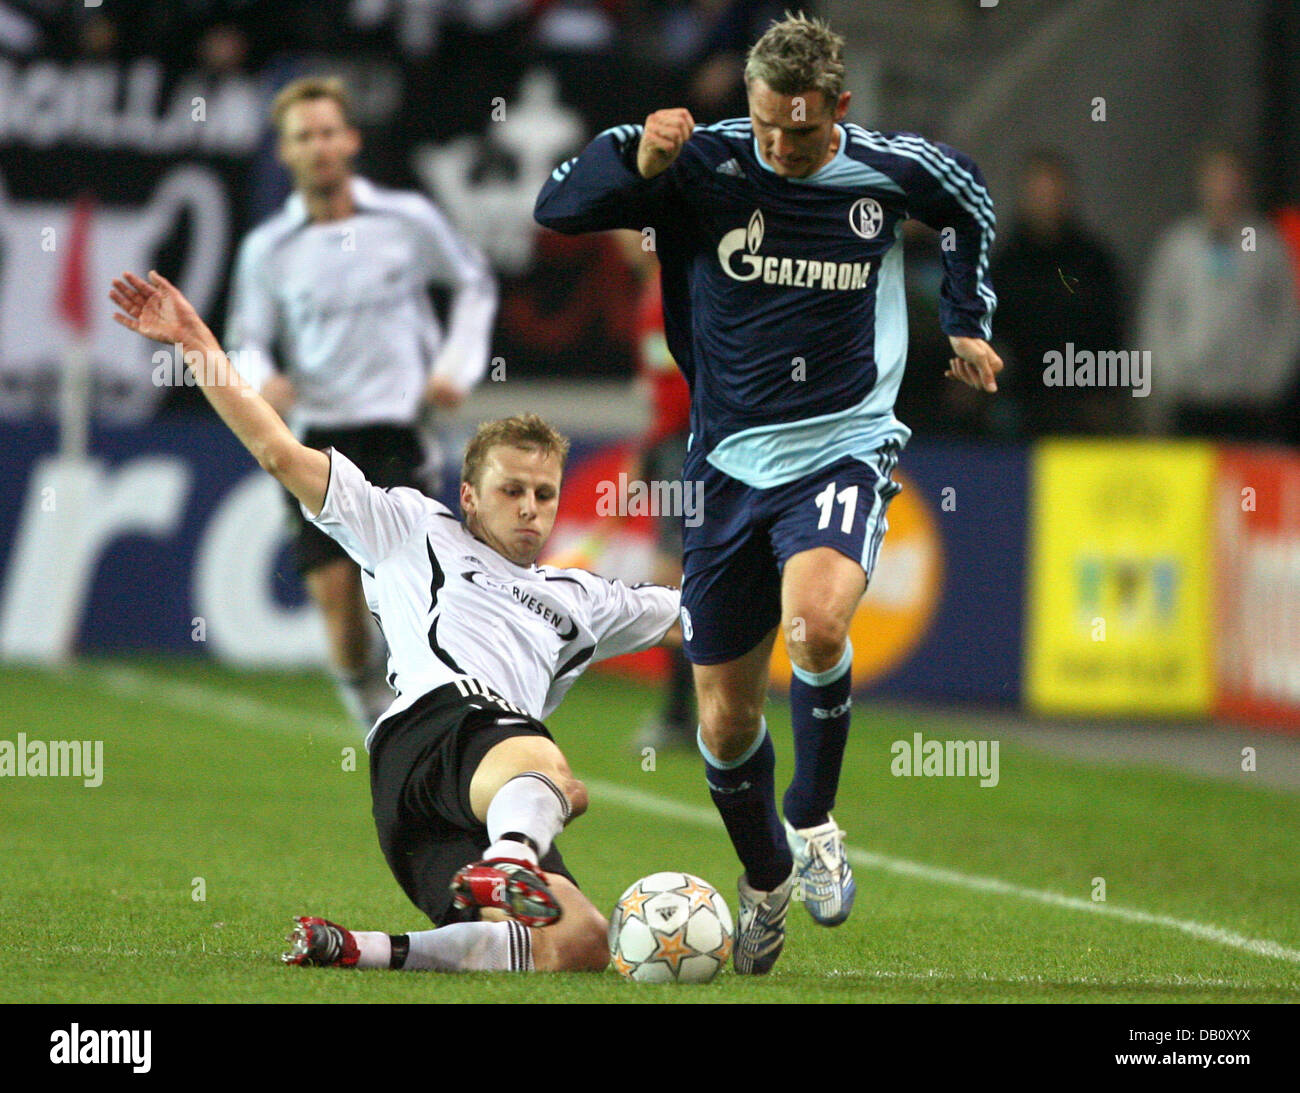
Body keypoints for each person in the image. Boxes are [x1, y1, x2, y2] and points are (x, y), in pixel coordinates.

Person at [534, 12, 1001, 974]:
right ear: (747, 105)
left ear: (839, 106)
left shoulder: (887, 167)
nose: (784, 147)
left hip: (843, 446)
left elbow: (968, 203)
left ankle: (815, 818)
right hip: (724, 463)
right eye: (768, 127)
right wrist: (643, 164)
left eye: (804, 128)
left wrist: (966, 318)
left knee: (820, 625)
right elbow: (559, 206)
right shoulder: (700, 162)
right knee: (723, 720)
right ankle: (763, 883)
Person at [109, 270, 679, 974]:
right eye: (512, 490)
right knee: (549, 771)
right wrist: (196, 340)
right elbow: (278, 451)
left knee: (580, 941)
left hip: (447, 807)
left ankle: (362, 949)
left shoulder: (581, 597)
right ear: (469, 495)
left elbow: (704, 616)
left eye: (544, 493)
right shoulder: (410, 525)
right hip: (433, 737)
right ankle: (507, 859)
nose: (530, 507)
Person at [226, 76, 498, 732]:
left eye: (328, 132)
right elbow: (245, 338)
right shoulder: (269, 250)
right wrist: (263, 376)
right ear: (285, 152)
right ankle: (367, 704)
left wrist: (455, 366)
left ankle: (426, 722)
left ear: (350, 140)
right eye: (303, 137)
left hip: (398, 432)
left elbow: (473, 280)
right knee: (341, 610)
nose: (319, 146)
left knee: (412, 593)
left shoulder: (404, 220)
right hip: (316, 439)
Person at [1138, 144, 1300, 443]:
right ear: (1202, 184)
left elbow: (1286, 320)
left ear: (1244, 184)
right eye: (1216, 178)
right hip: (1190, 399)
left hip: (1249, 402)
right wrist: (1170, 378)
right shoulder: (1178, 245)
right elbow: (1157, 317)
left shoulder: (1266, 246)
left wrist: (1268, 381)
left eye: (1231, 178)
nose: (1224, 188)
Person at [990, 149, 1126, 438]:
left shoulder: (1093, 261)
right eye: (1038, 193)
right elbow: (989, 333)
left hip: (1081, 406)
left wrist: (1105, 391)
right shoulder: (1003, 265)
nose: (1046, 202)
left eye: (1052, 192)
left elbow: (1111, 329)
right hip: (1018, 406)